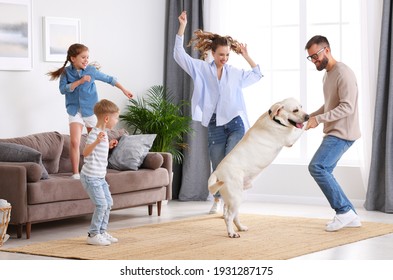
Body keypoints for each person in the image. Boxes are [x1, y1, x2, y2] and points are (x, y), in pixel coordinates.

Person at [174, 11, 263, 214]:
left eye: (227, 55)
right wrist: (182, 26)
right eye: (221, 54)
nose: (224, 58)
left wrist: (246, 55)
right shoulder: (202, 69)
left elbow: (258, 74)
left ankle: (231, 202)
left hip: (235, 123)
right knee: (218, 165)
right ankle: (217, 199)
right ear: (213, 54)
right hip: (215, 125)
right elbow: (179, 55)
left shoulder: (235, 74)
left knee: (232, 163)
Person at [47, 43, 133, 180]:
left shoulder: (91, 70)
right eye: (83, 57)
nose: (86, 60)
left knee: (101, 140)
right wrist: (80, 82)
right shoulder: (66, 73)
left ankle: (98, 171)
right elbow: (63, 89)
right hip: (75, 111)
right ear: (73, 58)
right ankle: (76, 174)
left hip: (91, 111)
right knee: (75, 142)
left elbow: (109, 79)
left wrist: (124, 89)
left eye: (87, 57)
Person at [305, 35, 361, 231]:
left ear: (326, 50)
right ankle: (351, 216)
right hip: (335, 131)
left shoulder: (343, 73)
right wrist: (308, 116)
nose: (314, 60)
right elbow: (329, 104)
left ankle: (344, 211)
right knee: (323, 169)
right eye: (310, 58)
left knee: (317, 167)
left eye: (316, 55)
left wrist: (318, 120)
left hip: (343, 132)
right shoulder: (327, 74)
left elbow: (347, 107)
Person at [80, 99, 120, 246]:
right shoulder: (94, 134)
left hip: (100, 177)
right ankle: (93, 234)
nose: (117, 121)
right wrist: (97, 141)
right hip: (90, 177)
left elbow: (98, 151)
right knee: (101, 205)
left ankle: (102, 232)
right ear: (107, 118)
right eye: (116, 117)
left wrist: (108, 145)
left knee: (108, 203)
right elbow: (85, 152)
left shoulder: (104, 134)